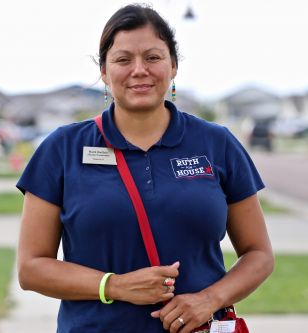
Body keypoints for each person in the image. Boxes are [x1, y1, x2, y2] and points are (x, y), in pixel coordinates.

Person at [16, 4, 274, 333]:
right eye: (123, 60)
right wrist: (115, 286)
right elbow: (31, 268)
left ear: (174, 66)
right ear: (105, 72)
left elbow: (259, 254)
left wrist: (210, 298)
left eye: (152, 57)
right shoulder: (62, 149)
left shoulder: (217, 143)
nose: (139, 70)